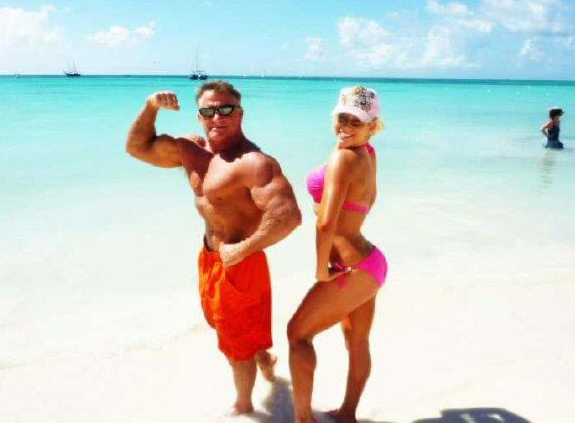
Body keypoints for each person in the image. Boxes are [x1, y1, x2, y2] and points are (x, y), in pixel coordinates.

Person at [125, 81, 301, 415]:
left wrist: (242, 249)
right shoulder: (190, 149)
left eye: (225, 109)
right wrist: (151, 107)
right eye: (208, 111)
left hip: (240, 264)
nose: (216, 117)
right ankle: (264, 358)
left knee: (236, 349)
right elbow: (137, 147)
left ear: (240, 113)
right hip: (209, 257)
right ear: (199, 116)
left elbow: (288, 216)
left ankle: (244, 408)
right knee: (224, 326)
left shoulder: (253, 163)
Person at [287, 86, 388, 423]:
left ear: (372, 125)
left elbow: (326, 222)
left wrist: (321, 270)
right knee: (356, 341)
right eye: (341, 117)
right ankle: (347, 415)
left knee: (297, 334)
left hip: (351, 268)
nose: (345, 126)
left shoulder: (343, 158)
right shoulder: (368, 153)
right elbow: (370, 200)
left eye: (355, 121)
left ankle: (303, 419)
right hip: (370, 263)